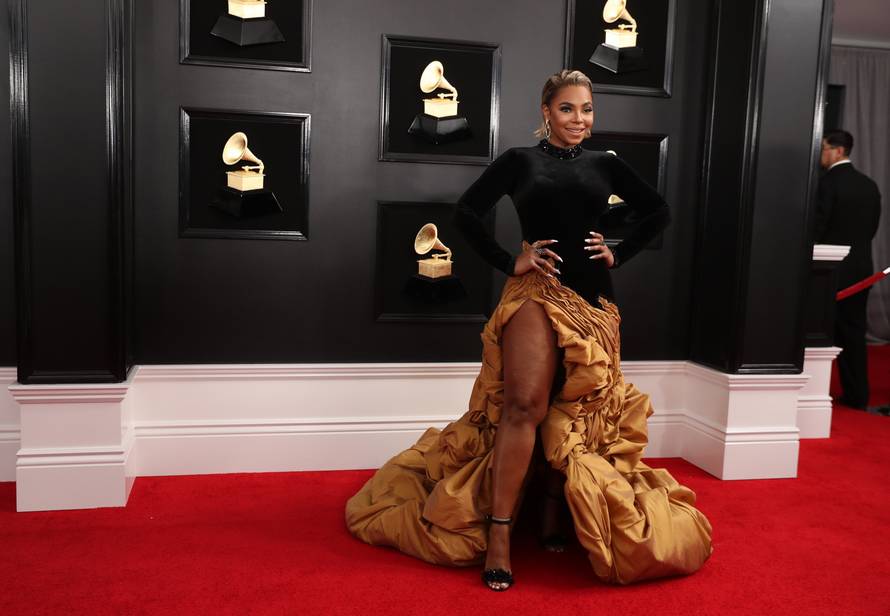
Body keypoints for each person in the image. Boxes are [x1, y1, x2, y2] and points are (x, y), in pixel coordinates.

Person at [346, 70, 712, 590]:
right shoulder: (520, 161)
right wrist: (510, 259)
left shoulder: (606, 164)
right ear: (546, 112)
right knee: (523, 404)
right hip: (537, 293)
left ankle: (548, 511)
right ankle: (498, 531)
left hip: (593, 301)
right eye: (567, 109)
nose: (579, 120)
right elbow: (466, 213)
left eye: (586, 110)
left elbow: (658, 211)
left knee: (573, 410)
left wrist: (620, 250)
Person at [815, 129, 882, 410]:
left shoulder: (826, 184)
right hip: (862, 269)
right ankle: (857, 395)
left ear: (838, 151)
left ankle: (812, 395)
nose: (821, 154)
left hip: (828, 271)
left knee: (816, 333)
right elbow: (872, 229)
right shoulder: (869, 184)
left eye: (824, 148)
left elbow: (818, 227)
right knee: (854, 333)